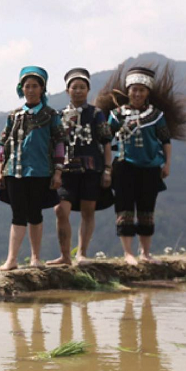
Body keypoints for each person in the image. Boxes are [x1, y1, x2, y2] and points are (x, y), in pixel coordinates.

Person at [96, 64, 186, 265]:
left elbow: (165, 141)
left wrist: (167, 164)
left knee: (146, 209)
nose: (137, 93)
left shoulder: (156, 116)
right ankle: (128, 253)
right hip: (124, 166)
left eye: (141, 90)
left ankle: (145, 253)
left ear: (147, 92)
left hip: (150, 167)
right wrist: (105, 165)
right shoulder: (117, 115)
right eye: (134, 89)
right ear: (128, 91)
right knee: (124, 208)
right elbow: (106, 139)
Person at [0, 66, 66, 269]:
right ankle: (12, 259)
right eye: (27, 86)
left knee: (35, 213)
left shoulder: (51, 115)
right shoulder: (14, 115)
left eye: (35, 86)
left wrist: (58, 171)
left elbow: (60, 144)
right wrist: (0, 171)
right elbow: (4, 146)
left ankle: (35, 257)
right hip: (14, 171)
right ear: (21, 89)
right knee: (17, 214)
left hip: (40, 171)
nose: (31, 89)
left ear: (42, 89)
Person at [46, 68, 113, 266]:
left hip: (92, 169)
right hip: (65, 171)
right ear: (68, 90)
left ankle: (82, 253)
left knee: (88, 211)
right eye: (74, 87)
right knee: (60, 210)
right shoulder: (59, 115)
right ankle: (65, 256)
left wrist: (108, 169)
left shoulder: (96, 114)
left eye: (82, 87)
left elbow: (106, 141)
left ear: (88, 90)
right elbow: (54, 144)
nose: (78, 91)